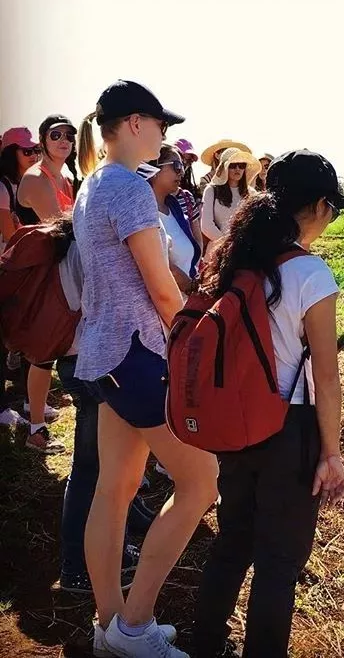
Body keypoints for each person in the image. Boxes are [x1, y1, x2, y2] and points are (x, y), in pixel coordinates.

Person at [74, 79, 218, 657]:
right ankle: (134, 626)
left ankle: (110, 625)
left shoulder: (91, 185)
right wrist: (198, 340)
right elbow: (162, 291)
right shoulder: (130, 190)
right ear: (135, 123)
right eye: (163, 125)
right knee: (201, 481)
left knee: (114, 488)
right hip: (140, 355)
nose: (166, 135)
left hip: (105, 356)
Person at [193, 149, 344, 658]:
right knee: (279, 563)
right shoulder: (310, 273)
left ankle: (206, 645)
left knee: (232, 542)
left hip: (236, 424)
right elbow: (325, 378)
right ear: (321, 205)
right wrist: (332, 454)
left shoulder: (237, 258)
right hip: (290, 428)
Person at [16, 115, 79, 451]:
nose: (64, 140)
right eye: (56, 135)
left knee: (48, 352)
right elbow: (63, 229)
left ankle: (34, 411)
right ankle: (35, 430)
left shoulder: (64, 177)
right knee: (42, 354)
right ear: (43, 140)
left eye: (69, 135)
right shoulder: (37, 179)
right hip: (38, 277)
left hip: (58, 273)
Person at [0, 127, 42, 428]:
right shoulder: (3, 187)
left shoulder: (14, 186)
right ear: (9, 153)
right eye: (26, 151)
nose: (32, 155)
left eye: (34, 151)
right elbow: (11, 236)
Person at [136, 145, 201, 297]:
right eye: (177, 166)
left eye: (183, 167)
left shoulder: (175, 209)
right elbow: (160, 265)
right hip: (162, 310)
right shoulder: (141, 211)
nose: (182, 172)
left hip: (183, 306)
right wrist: (191, 287)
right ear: (154, 170)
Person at [200, 147, 261, 257]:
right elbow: (206, 226)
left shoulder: (252, 193)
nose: (237, 169)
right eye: (232, 165)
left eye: (241, 165)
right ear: (224, 167)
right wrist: (229, 244)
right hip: (218, 253)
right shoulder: (211, 190)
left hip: (246, 253)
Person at [172, 139, 203, 250]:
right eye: (182, 158)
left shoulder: (189, 196)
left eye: (189, 161)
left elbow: (197, 236)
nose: (185, 164)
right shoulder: (152, 194)